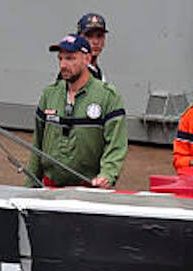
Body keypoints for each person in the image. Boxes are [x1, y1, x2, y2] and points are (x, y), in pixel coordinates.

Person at [25, 34, 127, 188]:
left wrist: (107, 175)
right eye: (60, 59)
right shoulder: (50, 94)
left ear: (87, 59)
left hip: (89, 191)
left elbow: (116, 145)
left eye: (70, 58)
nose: (63, 65)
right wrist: (29, 188)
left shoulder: (108, 97)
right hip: (51, 189)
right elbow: (37, 145)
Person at [76, 13, 108, 81]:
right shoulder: (74, 72)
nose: (95, 42)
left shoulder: (96, 71)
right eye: (89, 36)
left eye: (99, 36)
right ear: (79, 38)